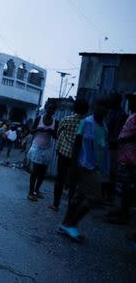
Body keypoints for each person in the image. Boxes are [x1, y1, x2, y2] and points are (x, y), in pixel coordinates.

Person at [58, 97, 110, 242]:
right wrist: (73, 168)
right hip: (85, 166)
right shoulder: (86, 122)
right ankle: (71, 224)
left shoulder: (104, 126)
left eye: (107, 107)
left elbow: (103, 150)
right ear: (95, 106)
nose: (104, 109)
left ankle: (64, 224)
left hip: (95, 168)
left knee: (78, 197)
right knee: (95, 199)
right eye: (101, 105)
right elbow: (77, 145)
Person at [49, 99, 89, 211]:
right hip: (77, 156)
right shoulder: (86, 123)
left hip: (63, 153)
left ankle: (55, 204)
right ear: (86, 110)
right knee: (73, 182)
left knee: (60, 179)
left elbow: (58, 133)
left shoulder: (66, 120)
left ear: (74, 108)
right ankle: (70, 206)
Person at [103, 92, 136, 225]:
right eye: (130, 100)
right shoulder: (130, 115)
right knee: (124, 184)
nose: (130, 103)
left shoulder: (122, 114)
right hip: (125, 155)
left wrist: (124, 139)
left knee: (126, 185)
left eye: (133, 101)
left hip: (131, 157)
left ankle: (123, 214)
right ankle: (122, 211)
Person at [27, 100, 58, 201]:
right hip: (37, 147)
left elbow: (56, 136)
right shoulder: (38, 118)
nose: (51, 110)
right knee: (35, 171)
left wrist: (52, 132)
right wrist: (38, 130)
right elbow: (31, 131)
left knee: (43, 172)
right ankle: (30, 193)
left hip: (47, 148)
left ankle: (37, 190)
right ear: (45, 108)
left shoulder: (55, 122)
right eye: (49, 108)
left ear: (54, 111)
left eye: (53, 109)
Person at [103, 93, 127, 204]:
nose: (109, 102)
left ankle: (109, 197)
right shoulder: (111, 112)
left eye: (111, 100)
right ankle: (105, 195)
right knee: (106, 171)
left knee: (112, 172)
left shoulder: (121, 114)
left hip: (114, 147)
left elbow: (118, 133)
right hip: (108, 145)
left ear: (116, 101)